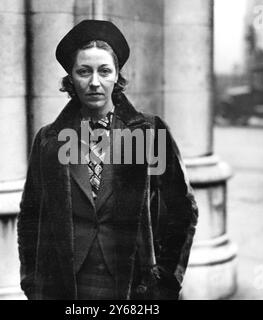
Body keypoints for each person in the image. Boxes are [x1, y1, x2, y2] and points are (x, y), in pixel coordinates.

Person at [17, 19, 198, 300]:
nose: (94, 82)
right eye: (83, 72)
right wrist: (33, 283)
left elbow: (181, 210)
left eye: (104, 71)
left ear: (116, 76)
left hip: (133, 284)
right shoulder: (49, 140)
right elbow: (30, 215)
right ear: (71, 79)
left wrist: (165, 280)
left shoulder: (149, 133)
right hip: (68, 285)